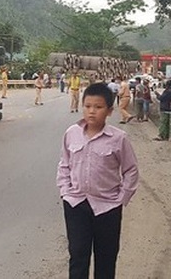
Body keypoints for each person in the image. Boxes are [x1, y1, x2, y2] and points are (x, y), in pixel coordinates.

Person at [56, 82, 139, 279]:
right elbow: (64, 164)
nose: (92, 111)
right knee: (78, 256)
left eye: (98, 107)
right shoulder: (71, 133)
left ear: (110, 111)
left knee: (106, 258)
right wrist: (65, 191)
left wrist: (121, 198)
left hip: (107, 207)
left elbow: (131, 170)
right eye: (87, 106)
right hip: (76, 204)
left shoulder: (118, 138)